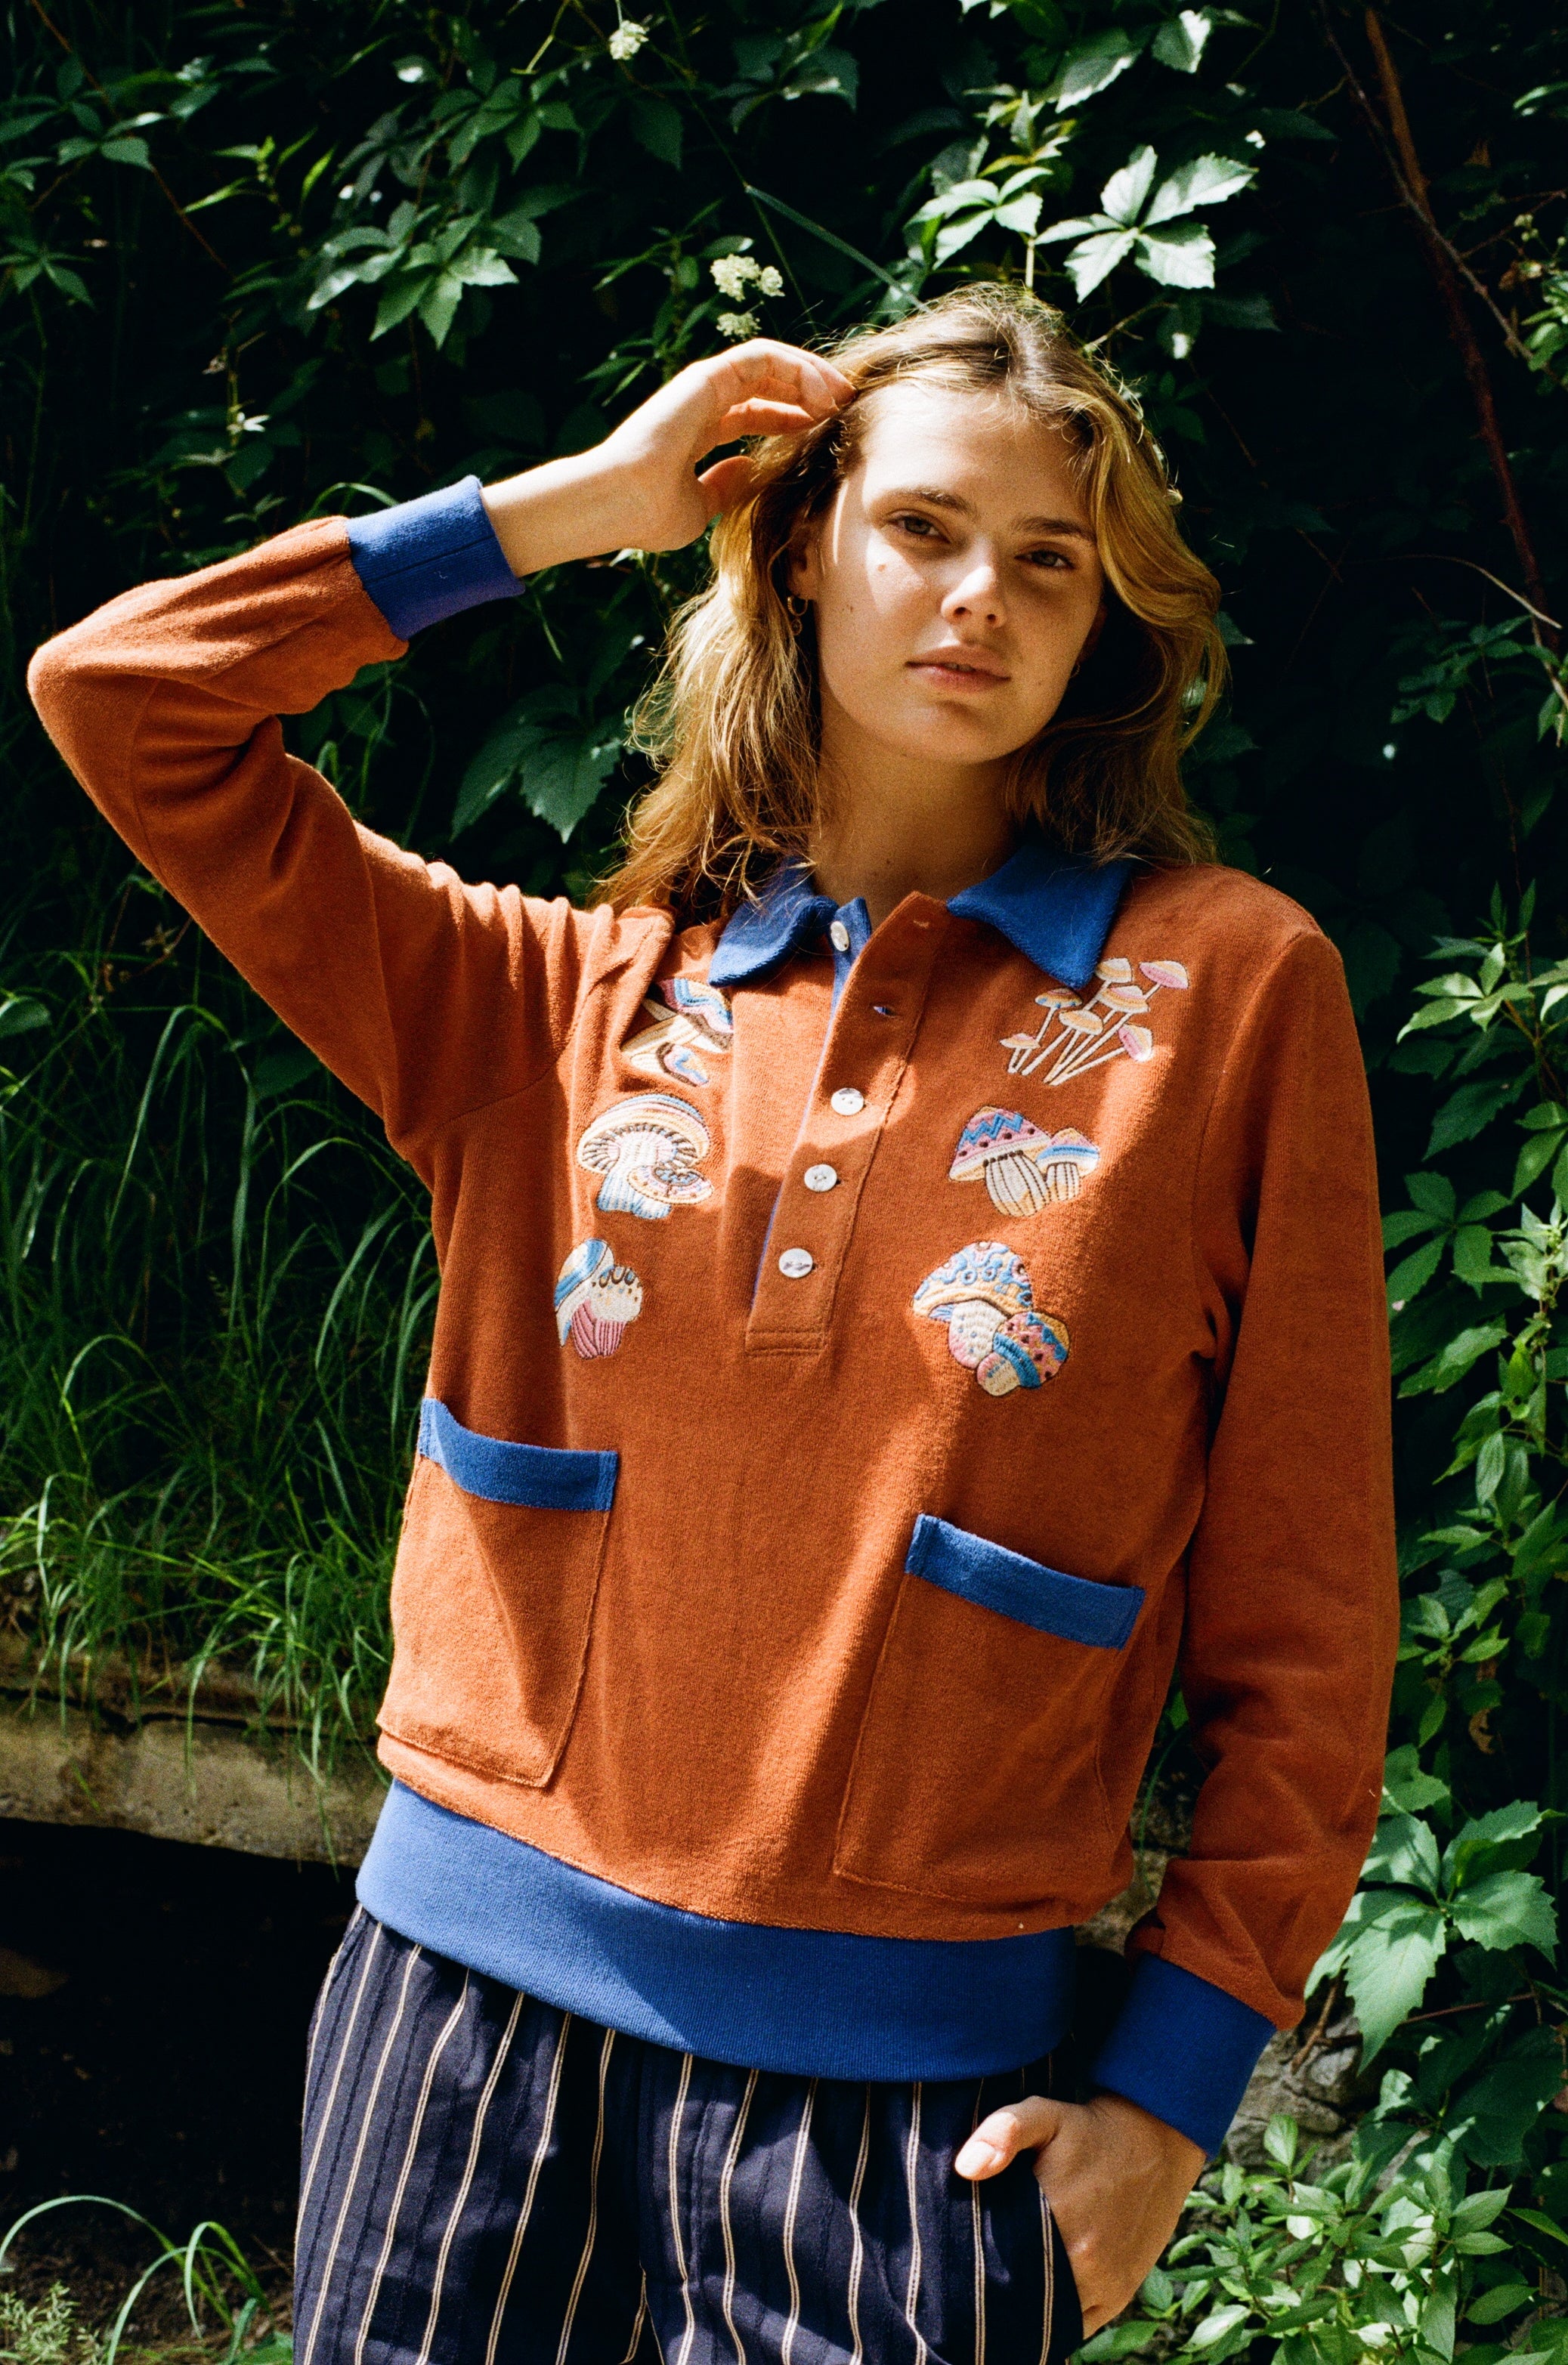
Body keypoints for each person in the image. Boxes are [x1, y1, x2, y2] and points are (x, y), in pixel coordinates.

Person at [29, 283, 1397, 2364]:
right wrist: (573, 507)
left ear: (1107, 624)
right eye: (922, 527)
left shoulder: (1226, 998)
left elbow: (1310, 1613)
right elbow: (123, 696)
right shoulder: (548, 1004)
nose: (982, 596)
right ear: (802, 547)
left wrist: (1166, 2099)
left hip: (913, 2122)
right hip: (457, 2039)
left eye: (1050, 561)